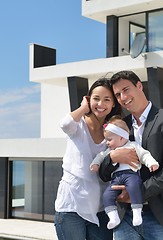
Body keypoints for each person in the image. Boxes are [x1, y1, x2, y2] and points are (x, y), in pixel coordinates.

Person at [102, 70, 163, 240]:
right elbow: (104, 172)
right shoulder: (120, 126)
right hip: (125, 217)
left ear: (139, 86)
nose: (123, 97)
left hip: (161, 216)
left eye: (126, 89)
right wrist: (112, 158)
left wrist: (138, 193)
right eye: (118, 94)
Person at [54, 78, 122, 240]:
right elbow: (64, 124)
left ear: (113, 104)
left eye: (107, 99)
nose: (101, 104)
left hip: (101, 208)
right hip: (72, 207)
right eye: (96, 98)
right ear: (88, 99)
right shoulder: (78, 125)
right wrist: (83, 108)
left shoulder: (113, 131)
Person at [90, 115, 159, 229]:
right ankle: (113, 217)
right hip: (115, 179)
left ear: (121, 138)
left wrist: (151, 163)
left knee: (134, 187)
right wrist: (95, 164)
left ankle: (137, 213)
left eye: (109, 139)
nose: (106, 143)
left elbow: (144, 154)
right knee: (107, 195)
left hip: (131, 175)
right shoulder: (109, 151)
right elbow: (100, 156)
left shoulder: (133, 146)